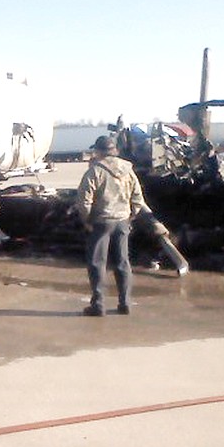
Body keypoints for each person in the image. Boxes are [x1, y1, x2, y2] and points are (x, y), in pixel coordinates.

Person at [76, 135, 146, 316]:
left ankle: (98, 305)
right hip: (122, 221)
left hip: (101, 222)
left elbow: (84, 201)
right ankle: (125, 303)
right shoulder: (128, 170)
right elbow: (138, 198)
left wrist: (87, 221)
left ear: (98, 151)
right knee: (122, 262)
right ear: (114, 150)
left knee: (97, 263)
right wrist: (130, 217)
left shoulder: (95, 171)